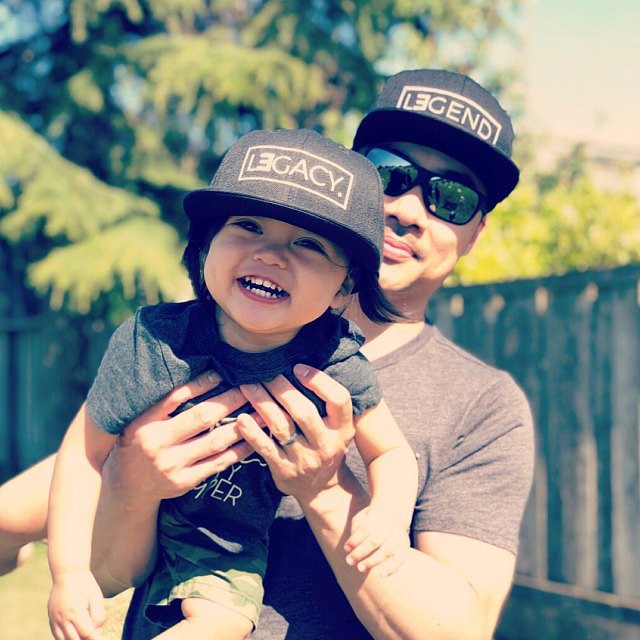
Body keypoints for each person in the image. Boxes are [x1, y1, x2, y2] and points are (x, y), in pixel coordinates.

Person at [0, 69, 534, 639]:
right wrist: (132, 485)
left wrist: (325, 490)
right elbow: (69, 532)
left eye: (452, 198)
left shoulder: (482, 406)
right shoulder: (180, 343)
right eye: (388, 173)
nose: (407, 208)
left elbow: (456, 631)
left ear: (476, 232)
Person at [45, 128, 418, 640]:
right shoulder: (154, 340)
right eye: (248, 225)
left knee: (226, 620)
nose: (272, 254)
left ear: (344, 286)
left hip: (224, 544)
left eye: (308, 243)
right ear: (205, 246)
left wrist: (389, 515)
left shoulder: (332, 359)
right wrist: (68, 573)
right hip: (133, 530)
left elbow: (391, 453)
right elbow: (83, 451)